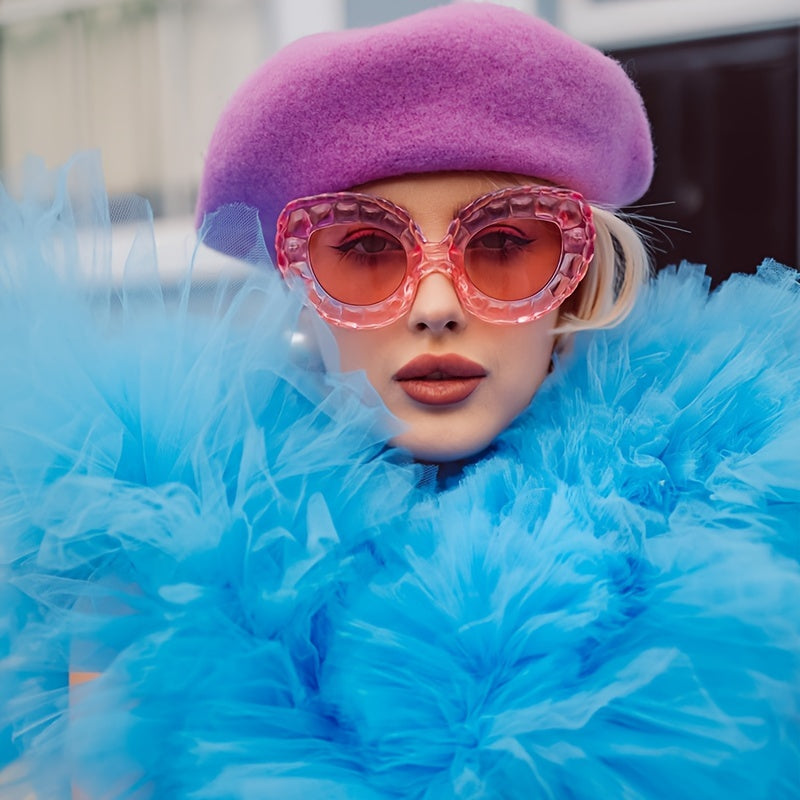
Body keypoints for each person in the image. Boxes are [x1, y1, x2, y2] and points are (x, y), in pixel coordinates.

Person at [1, 4, 798, 799]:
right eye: (367, 251)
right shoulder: (153, 566)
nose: (435, 306)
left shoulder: (741, 516)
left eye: (503, 244)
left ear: (575, 275)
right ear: (298, 285)